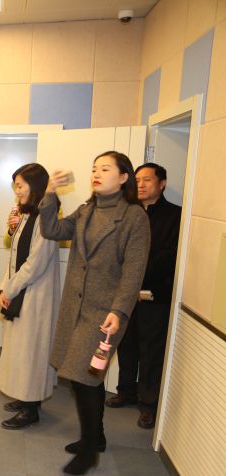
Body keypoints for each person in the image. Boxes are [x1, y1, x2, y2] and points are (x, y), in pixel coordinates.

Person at [40, 151, 150, 476]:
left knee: (84, 376)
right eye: (94, 169)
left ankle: (89, 451)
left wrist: (119, 310)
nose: (96, 174)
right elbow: (53, 230)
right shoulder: (87, 210)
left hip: (106, 312)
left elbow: (133, 271)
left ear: (124, 177)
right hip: (75, 306)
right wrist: (49, 193)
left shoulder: (134, 217)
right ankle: (96, 436)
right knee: (86, 375)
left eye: (105, 169)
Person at [105, 163, 181, 430]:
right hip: (125, 295)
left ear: (162, 183)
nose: (141, 184)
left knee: (151, 350)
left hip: (155, 294)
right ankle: (126, 391)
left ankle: (148, 405)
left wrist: (137, 278)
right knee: (125, 345)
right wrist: (126, 284)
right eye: (137, 180)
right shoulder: (128, 213)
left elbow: (169, 256)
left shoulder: (175, 215)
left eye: (147, 180)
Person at [0, 163, 60, 429]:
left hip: (35, 294)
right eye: (16, 187)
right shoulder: (26, 214)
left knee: (31, 351)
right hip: (21, 290)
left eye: (20, 186)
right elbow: (13, 256)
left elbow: (35, 263)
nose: (18, 191)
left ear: (35, 186)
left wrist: (10, 289)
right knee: (20, 349)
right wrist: (4, 288)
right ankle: (25, 397)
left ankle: (31, 408)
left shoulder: (46, 217)